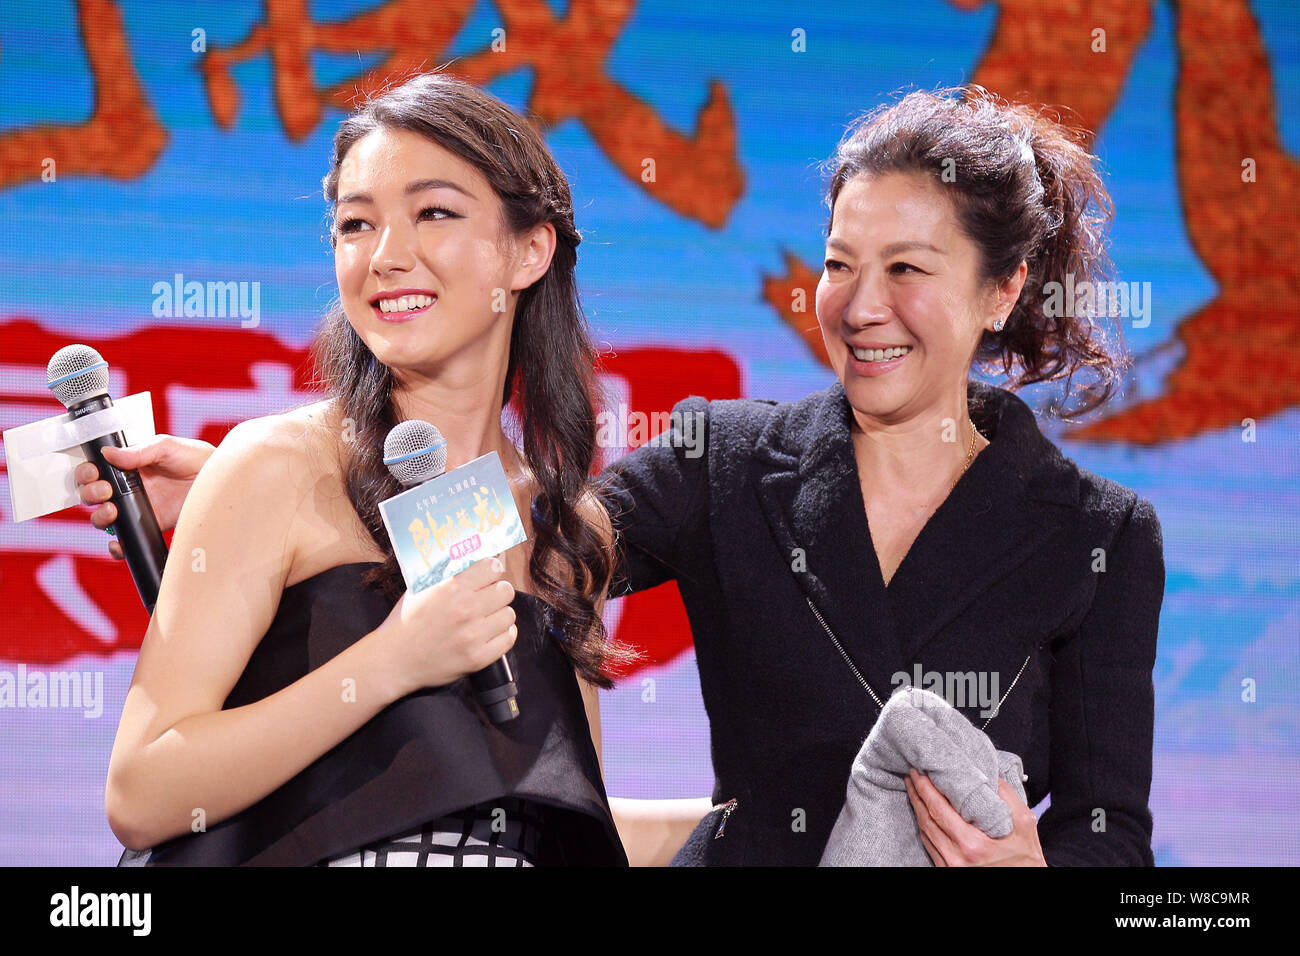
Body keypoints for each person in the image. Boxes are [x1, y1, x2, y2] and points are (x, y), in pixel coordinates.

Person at [82, 86, 1164, 866]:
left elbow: (1113, 837)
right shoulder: (724, 461)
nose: (861, 304)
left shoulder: (1099, 534)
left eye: (908, 271)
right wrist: (253, 489)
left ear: (1001, 287)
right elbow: (509, 549)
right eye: (839, 263)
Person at [94, 71, 633, 866]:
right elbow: (141, 794)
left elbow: (559, 817)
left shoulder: (566, 528)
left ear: (529, 250)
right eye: (355, 225)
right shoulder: (276, 467)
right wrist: (390, 662)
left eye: (434, 213)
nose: (386, 257)